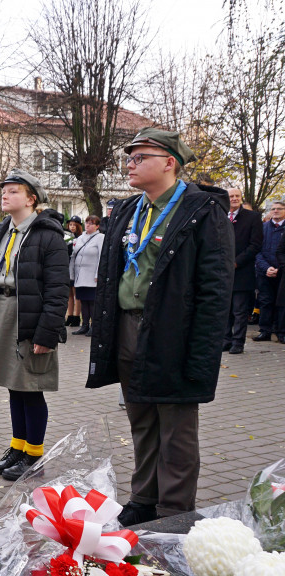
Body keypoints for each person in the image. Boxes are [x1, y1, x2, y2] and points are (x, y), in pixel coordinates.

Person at [86, 128, 232, 526]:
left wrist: (203, 353)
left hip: (174, 335)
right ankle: (143, 498)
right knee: (141, 420)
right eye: (128, 158)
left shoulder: (201, 210)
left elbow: (215, 290)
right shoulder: (130, 209)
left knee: (176, 430)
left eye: (139, 157)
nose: (130, 164)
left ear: (170, 162)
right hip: (128, 331)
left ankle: (174, 510)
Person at [0, 169, 69, 482]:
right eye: (4, 190)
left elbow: (58, 290)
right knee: (13, 386)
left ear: (31, 199)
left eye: (14, 191)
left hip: (28, 315)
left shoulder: (48, 234)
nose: (5, 194)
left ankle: (34, 456)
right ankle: (18, 448)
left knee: (31, 387)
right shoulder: (4, 230)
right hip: (3, 311)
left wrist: (46, 333)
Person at [224, 188, 263, 354]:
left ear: (241, 198)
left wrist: (236, 262)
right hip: (221, 273)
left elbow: (255, 245)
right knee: (224, 310)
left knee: (239, 311)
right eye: (231, 196)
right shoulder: (220, 215)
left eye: (236, 196)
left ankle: (238, 342)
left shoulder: (252, 217)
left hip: (242, 272)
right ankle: (225, 340)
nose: (234, 198)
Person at [254, 201, 285, 343]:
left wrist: (280, 268)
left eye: (279, 208)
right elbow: (257, 250)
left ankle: (281, 332)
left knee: (282, 304)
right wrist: (266, 268)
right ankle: (264, 331)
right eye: (273, 209)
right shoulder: (262, 228)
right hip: (264, 272)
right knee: (265, 301)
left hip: (283, 272)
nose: (276, 211)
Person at [70, 215, 104, 336]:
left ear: (97, 226)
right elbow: (74, 255)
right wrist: (72, 274)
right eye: (87, 223)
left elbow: (101, 257)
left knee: (92, 302)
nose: (88, 225)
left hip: (92, 275)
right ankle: (84, 325)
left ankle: (94, 326)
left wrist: (98, 274)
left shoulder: (100, 237)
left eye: (91, 223)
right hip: (80, 275)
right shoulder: (81, 237)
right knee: (83, 301)